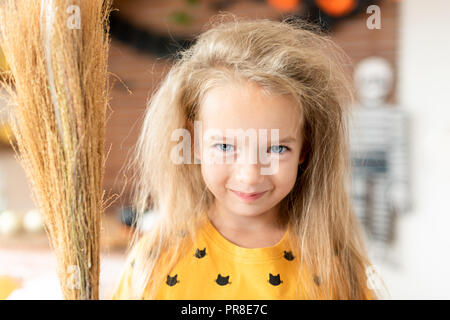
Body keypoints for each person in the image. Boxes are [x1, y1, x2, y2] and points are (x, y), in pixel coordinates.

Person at [111, 15, 380, 300]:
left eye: (277, 149)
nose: (250, 175)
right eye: (225, 147)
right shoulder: (155, 259)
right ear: (195, 140)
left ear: (306, 147)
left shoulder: (336, 267)